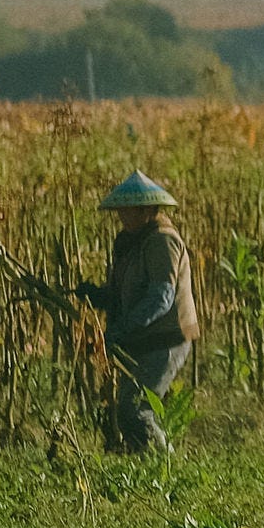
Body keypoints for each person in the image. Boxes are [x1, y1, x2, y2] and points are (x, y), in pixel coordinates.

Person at [90, 171, 200, 453]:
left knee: (136, 410)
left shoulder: (162, 241)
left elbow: (160, 298)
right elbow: (125, 292)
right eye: (121, 212)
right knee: (128, 410)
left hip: (165, 339)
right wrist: (97, 295)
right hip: (144, 338)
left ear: (148, 210)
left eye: (130, 212)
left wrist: (121, 329)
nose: (124, 218)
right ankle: (144, 468)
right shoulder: (132, 242)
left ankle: (165, 468)